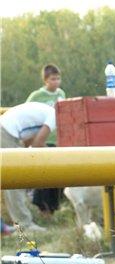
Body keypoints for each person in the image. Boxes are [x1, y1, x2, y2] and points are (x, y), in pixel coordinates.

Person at [0, 102, 56, 233]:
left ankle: (16, 222)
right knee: (15, 180)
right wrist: (53, 158)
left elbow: (28, 141)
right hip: (6, 133)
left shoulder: (46, 111)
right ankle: (24, 224)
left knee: (11, 179)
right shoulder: (54, 115)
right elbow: (37, 144)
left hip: (6, 130)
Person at [26, 64, 66, 214]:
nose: (56, 82)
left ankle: (54, 207)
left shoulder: (61, 94)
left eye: (58, 78)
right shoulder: (37, 96)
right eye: (52, 79)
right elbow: (28, 112)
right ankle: (42, 207)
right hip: (42, 140)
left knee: (57, 174)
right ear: (45, 80)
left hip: (57, 139)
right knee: (44, 174)